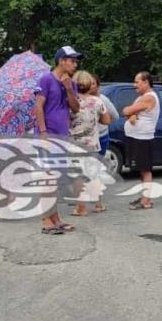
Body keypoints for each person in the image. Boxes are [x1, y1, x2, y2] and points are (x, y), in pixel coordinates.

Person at [35, 46, 82, 234]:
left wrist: (69, 88)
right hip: (48, 136)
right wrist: (43, 132)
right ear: (62, 60)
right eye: (72, 60)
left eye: (76, 61)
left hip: (62, 136)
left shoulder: (71, 82)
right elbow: (38, 107)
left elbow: (76, 108)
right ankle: (46, 220)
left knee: (56, 180)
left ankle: (56, 219)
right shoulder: (45, 79)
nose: (75, 64)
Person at [69, 71, 111, 216]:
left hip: (74, 145)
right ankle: (98, 204)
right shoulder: (97, 101)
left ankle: (81, 208)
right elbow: (106, 121)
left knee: (79, 176)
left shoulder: (70, 101)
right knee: (93, 174)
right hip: (93, 144)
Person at [123, 71, 160, 210]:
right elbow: (130, 114)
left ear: (145, 82)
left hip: (142, 138)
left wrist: (130, 112)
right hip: (136, 137)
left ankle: (146, 200)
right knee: (141, 169)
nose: (135, 85)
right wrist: (131, 115)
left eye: (137, 82)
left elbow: (126, 110)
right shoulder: (142, 97)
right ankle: (145, 196)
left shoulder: (149, 97)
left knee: (145, 170)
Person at [91, 74, 119, 157]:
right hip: (88, 137)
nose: (90, 86)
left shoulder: (103, 99)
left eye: (93, 83)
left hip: (101, 136)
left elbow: (115, 116)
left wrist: (103, 122)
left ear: (98, 85)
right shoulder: (82, 99)